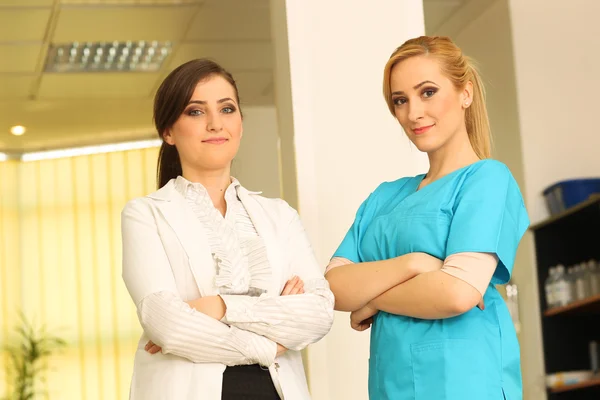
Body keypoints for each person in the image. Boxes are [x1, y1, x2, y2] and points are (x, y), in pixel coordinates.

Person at [325, 36, 530, 400]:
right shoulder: (385, 196)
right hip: (391, 382)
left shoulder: (486, 180)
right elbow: (333, 288)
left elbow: (456, 292)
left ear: (465, 93)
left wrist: (371, 300)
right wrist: (416, 263)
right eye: (400, 100)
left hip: (465, 380)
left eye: (428, 92)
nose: (413, 112)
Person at [121, 58, 334, 400]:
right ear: (168, 131)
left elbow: (319, 313)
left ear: (240, 123)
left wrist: (217, 307)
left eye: (227, 109)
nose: (215, 124)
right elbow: (168, 325)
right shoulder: (146, 214)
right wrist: (269, 342)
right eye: (195, 111)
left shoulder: (280, 215)